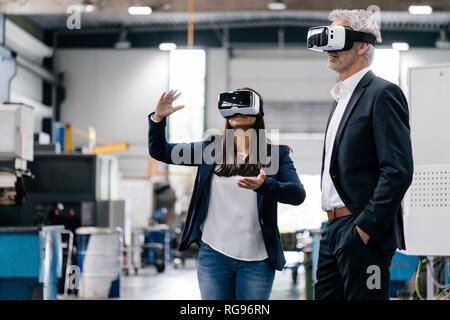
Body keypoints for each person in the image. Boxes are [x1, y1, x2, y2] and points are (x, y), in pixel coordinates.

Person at [148, 88, 306, 300]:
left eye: (244, 105)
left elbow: (297, 195)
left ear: (258, 112)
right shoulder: (210, 151)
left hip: (258, 259)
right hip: (214, 255)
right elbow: (161, 151)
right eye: (232, 106)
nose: (237, 110)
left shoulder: (276, 155)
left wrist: (266, 185)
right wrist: (158, 118)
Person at [312, 9, 414, 300]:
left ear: (362, 45)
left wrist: (365, 229)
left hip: (360, 231)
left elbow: (398, 170)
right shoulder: (341, 98)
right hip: (333, 230)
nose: (329, 49)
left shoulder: (382, 94)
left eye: (337, 38)